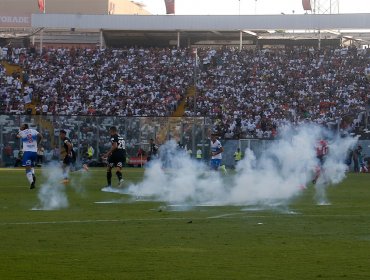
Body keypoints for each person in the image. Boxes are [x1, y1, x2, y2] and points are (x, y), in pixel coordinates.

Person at [16, 123, 43, 189]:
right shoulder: (33, 130)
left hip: (27, 152)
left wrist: (19, 131)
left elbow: (17, 136)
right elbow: (41, 136)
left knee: (27, 168)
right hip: (34, 152)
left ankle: (31, 183)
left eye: (21, 126)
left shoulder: (22, 132)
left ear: (24, 127)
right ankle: (33, 174)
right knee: (32, 166)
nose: (20, 127)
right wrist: (38, 144)